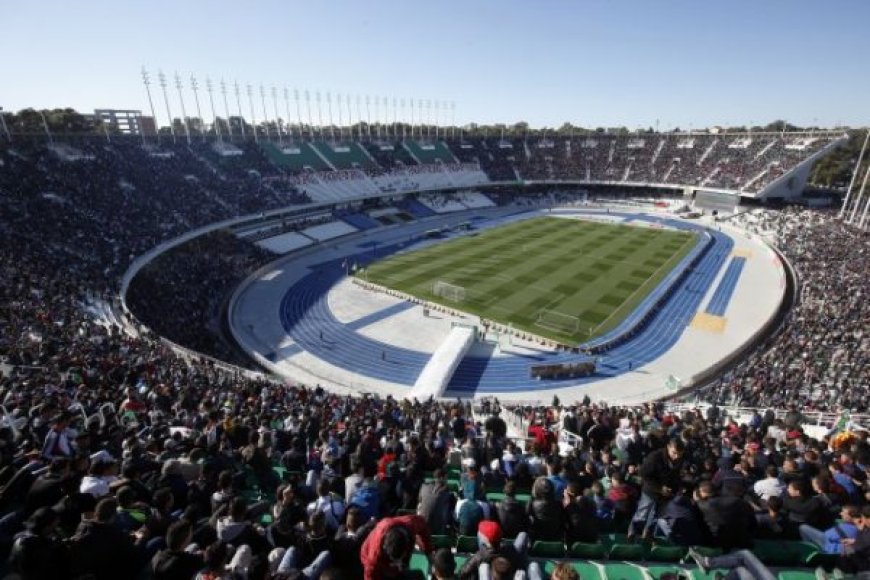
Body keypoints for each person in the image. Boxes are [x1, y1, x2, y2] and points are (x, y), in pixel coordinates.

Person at [630, 438, 685, 541]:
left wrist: (676, 488)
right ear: (668, 447)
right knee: (642, 514)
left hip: (665, 495)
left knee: (654, 517)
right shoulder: (655, 457)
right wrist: (659, 488)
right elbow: (643, 474)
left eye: (679, 454)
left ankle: (646, 536)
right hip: (650, 491)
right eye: (674, 453)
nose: (676, 456)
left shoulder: (680, 460)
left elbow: (676, 476)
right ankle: (632, 535)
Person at [360, 514, 434, 580]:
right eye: (394, 562)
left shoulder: (410, 524)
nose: (398, 565)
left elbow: (423, 525)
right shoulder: (372, 560)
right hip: (377, 563)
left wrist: (428, 551)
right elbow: (370, 576)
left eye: (399, 561)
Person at [7, 507, 71, 580]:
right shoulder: (35, 546)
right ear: (46, 526)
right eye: (54, 526)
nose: (55, 528)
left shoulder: (22, 536)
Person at [459, 520, 533, 580]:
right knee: (523, 534)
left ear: (486, 540)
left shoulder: (479, 556)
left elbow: (462, 573)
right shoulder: (511, 550)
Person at [418, 468, 454, 534]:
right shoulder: (447, 493)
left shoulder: (424, 487)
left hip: (422, 527)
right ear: (443, 478)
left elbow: (420, 501)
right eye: (446, 478)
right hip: (438, 529)